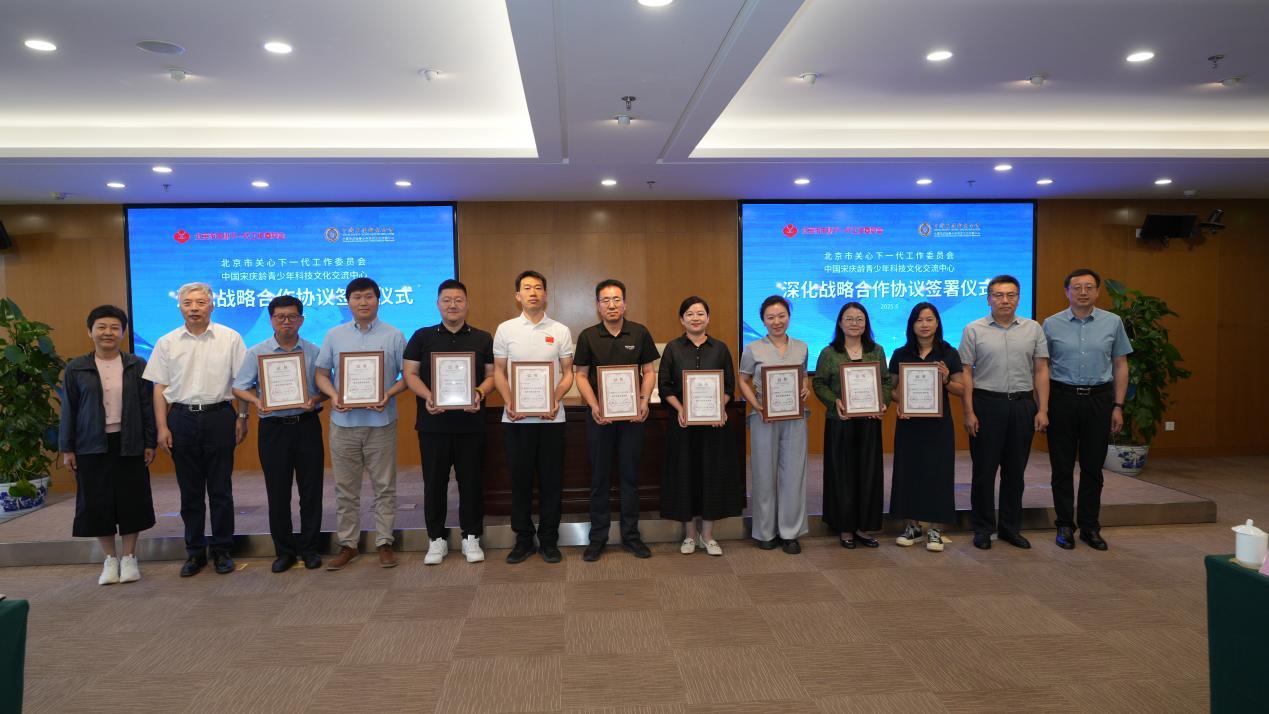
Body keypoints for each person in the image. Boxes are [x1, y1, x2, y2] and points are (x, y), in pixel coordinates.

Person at [143, 282, 247, 577]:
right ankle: (195, 552)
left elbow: (241, 382)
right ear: (180, 307)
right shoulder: (167, 342)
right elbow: (159, 387)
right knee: (190, 491)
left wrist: (243, 416)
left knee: (221, 490)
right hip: (182, 418)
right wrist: (162, 426)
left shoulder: (230, 337)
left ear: (212, 305)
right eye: (188, 303)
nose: (194, 308)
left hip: (219, 416)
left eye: (200, 302)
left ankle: (223, 550)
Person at [315, 277, 408, 570]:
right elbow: (321, 374)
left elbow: (408, 377)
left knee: (385, 487)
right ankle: (348, 544)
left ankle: (384, 542)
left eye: (368, 296)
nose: (363, 302)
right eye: (357, 297)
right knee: (345, 488)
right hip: (343, 424)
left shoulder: (394, 335)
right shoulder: (334, 335)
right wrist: (334, 396)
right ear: (348, 302)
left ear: (379, 300)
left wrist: (388, 394)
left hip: (381, 423)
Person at [60, 305, 157, 585]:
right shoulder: (76, 367)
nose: (108, 332)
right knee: (96, 501)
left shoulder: (136, 364)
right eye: (101, 327)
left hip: (129, 441)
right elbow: (69, 409)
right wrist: (68, 448)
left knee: (132, 499)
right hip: (90, 444)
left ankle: (129, 557)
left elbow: (146, 406)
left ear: (123, 332)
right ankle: (110, 559)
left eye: (115, 327)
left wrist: (149, 441)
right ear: (90, 331)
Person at [402, 279, 495, 565]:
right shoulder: (422, 336)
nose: (453, 305)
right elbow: (410, 374)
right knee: (434, 483)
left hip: (471, 424)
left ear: (467, 304)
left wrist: (479, 393)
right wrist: (429, 396)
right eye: (447, 300)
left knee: (471, 482)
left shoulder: (482, 338)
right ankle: (436, 539)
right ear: (438, 304)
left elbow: (491, 376)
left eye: (458, 300)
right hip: (433, 425)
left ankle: (471, 536)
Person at [232, 295, 327, 573]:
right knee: (277, 492)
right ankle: (284, 552)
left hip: (307, 425)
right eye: (280, 317)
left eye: (292, 316)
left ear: (301, 320)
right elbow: (239, 387)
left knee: (311, 491)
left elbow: (328, 388)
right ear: (271, 320)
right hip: (273, 430)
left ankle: (310, 549)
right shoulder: (257, 352)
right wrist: (256, 401)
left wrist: (315, 399)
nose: (286, 321)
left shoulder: (314, 351)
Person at [1043, 268, 1131, 551]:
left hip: (1099, 400)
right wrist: (1042, 406)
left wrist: (1118, 405)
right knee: (1062, 467)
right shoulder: (1051, 324)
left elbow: (1120, 365)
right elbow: (1041, 367)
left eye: (1089, 287)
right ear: (1067, 291)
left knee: (1093, 467)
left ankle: (1090, 527)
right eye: (1077, 287)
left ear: (1097, 291)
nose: (1083, 292)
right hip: (1062, 398)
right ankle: (1064, 525)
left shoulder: (1113, 322)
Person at [960, 275, 1050, 550]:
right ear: (988, 299)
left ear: (1018, 298)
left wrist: (1043, 409)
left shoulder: (1033, 328)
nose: (1005, 300)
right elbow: (966, 373)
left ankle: (1011, 528)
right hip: (987, 405)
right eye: (998, 295)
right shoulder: (973, 329)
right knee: (984, 472)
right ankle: (983, 528)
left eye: (1011, 295)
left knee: (1015, 473)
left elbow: (1041, 370)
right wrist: (969, 411)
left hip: (1023, 406)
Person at [573, 279, 659, 562]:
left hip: (632, 418)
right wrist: (594, 405)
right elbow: (580, 375)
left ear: (625, 303)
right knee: (599, 479)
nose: (612, 305)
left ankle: (631, 536)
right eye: (606, 300)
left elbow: (649, 371)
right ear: (598, 306)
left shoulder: (639, 332)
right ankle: (597, 538)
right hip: (599, 418)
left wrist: (644, 400)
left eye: (617, 299)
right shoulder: (588, 336)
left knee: (629, 478)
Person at [492, 270, 575, 564]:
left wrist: (555, 399)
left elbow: (568, 373)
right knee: (520, 482)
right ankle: (524, 540)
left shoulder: (561, 330)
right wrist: (509, 402)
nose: (533, 293)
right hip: (516, 421)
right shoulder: (506, 329)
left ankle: (549, 540)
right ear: (518, 296)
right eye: (527, 288)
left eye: (538, 288)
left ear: (546, 294)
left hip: (552, 419)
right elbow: (499, 372)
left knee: (552, 482)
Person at [659, 296, 743, 556]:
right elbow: (664, 386)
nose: (695, 318)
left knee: (711, 477)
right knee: (685, 476)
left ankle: (707, 536)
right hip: (683, 425)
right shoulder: (673, 348)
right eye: (690, 314)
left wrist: (720, 407)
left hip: (713, 427)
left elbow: (729, 386)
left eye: (700, 314)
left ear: (708, 318)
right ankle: (690, 535)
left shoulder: (720, 349)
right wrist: (681, 409)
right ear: (681, 319)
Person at [813, 302, 892, 549]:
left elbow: (886, 382)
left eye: (859, 319)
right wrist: (833, 401)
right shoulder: (829, 353)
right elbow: (819, 383)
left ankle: (863, 527)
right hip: (841, 422)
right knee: (842, 475)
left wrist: (883, 402)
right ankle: (845, 527)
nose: (854, 323)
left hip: (869, 422)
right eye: (849, 319)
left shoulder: (876, 351)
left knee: (868, 473)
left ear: (866, 323)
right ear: (840, 323)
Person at [888, 302, 965, 552]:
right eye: (919, 320)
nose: (924, 324)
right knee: (908, 472)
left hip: (938, 425)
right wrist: (902, 403)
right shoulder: (901, 354)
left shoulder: (948, 352)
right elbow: (890, 389)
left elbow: (961, 388)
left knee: (938, 473)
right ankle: (912, 526)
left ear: (937, 323)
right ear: (912, 324)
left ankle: (935, 529)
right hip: (909, 424)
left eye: (929, 319)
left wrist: (945, 379)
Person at [737, 295, 810, 554]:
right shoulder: (753, 348)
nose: (777, 321)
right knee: (763, 473)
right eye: (771, 317)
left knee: (793, 475)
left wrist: (805, 387)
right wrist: (756, 405)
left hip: (795, 418)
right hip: (763, 417)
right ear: (763, 321)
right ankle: (765, 531)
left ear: (789, 317)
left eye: (781, 316)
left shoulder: (801, 347)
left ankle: (790, 533)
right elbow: (743, 380)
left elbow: (803, 377)